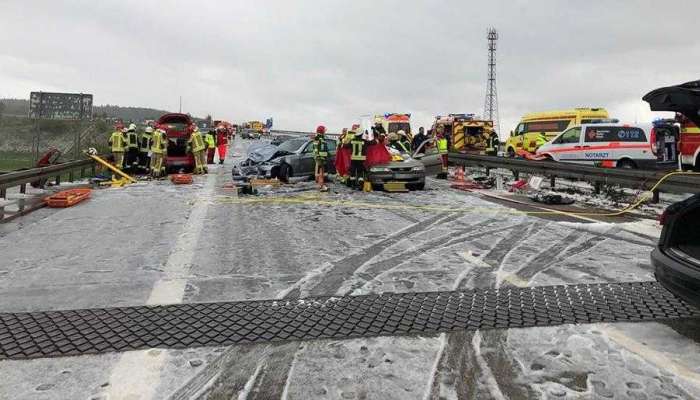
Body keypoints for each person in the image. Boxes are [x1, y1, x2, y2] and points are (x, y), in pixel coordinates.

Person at [313, 125, 329, 191]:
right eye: (324, 130)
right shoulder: (318, 138)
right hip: (320, 158)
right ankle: (321, 185)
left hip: (322, 157)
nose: (325, 131)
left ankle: (321, 185)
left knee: (321, 172)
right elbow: (316, 148)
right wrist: (318, 156)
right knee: (321, 172)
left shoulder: (321, 138)